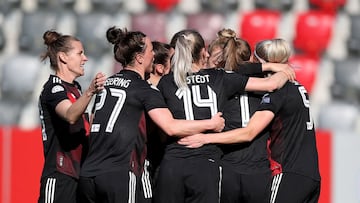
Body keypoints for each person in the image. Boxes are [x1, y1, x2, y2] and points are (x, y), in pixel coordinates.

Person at [77, 27, 225, 203]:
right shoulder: (145, 90)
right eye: (149, 50)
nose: (153, 54)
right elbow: (170, 127)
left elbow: (93, 122)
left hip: (88, 173)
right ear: (139, 58)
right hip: (120, 174)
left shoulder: (105, 85)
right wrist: (210, 123)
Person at [153, 29, 293, 203]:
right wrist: (280, 69)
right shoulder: (219, 78)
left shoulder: (166, 82)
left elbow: (162, 129)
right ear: (203, 52)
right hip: (208, 164)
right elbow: (270, 84)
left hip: (173, 163)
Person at [179, 38, 321, 203]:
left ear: (259, 59)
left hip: (288, 172)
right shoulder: (296, 86)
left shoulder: (276, 92)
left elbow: (249, 132)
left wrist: (204, 138)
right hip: (310, 174)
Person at [37, 30, 106, 203]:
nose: (85, 58)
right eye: (80, 53)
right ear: (63, 57)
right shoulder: (53, 89)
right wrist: (91, 91)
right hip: (60, 176)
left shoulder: (75, 88)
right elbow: (70, 115)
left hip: (79, 173)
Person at [208, 28, 272, 203]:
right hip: (258, 168)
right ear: (250, 58)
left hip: (229, 167)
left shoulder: (218, 82)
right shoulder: (267, 83)